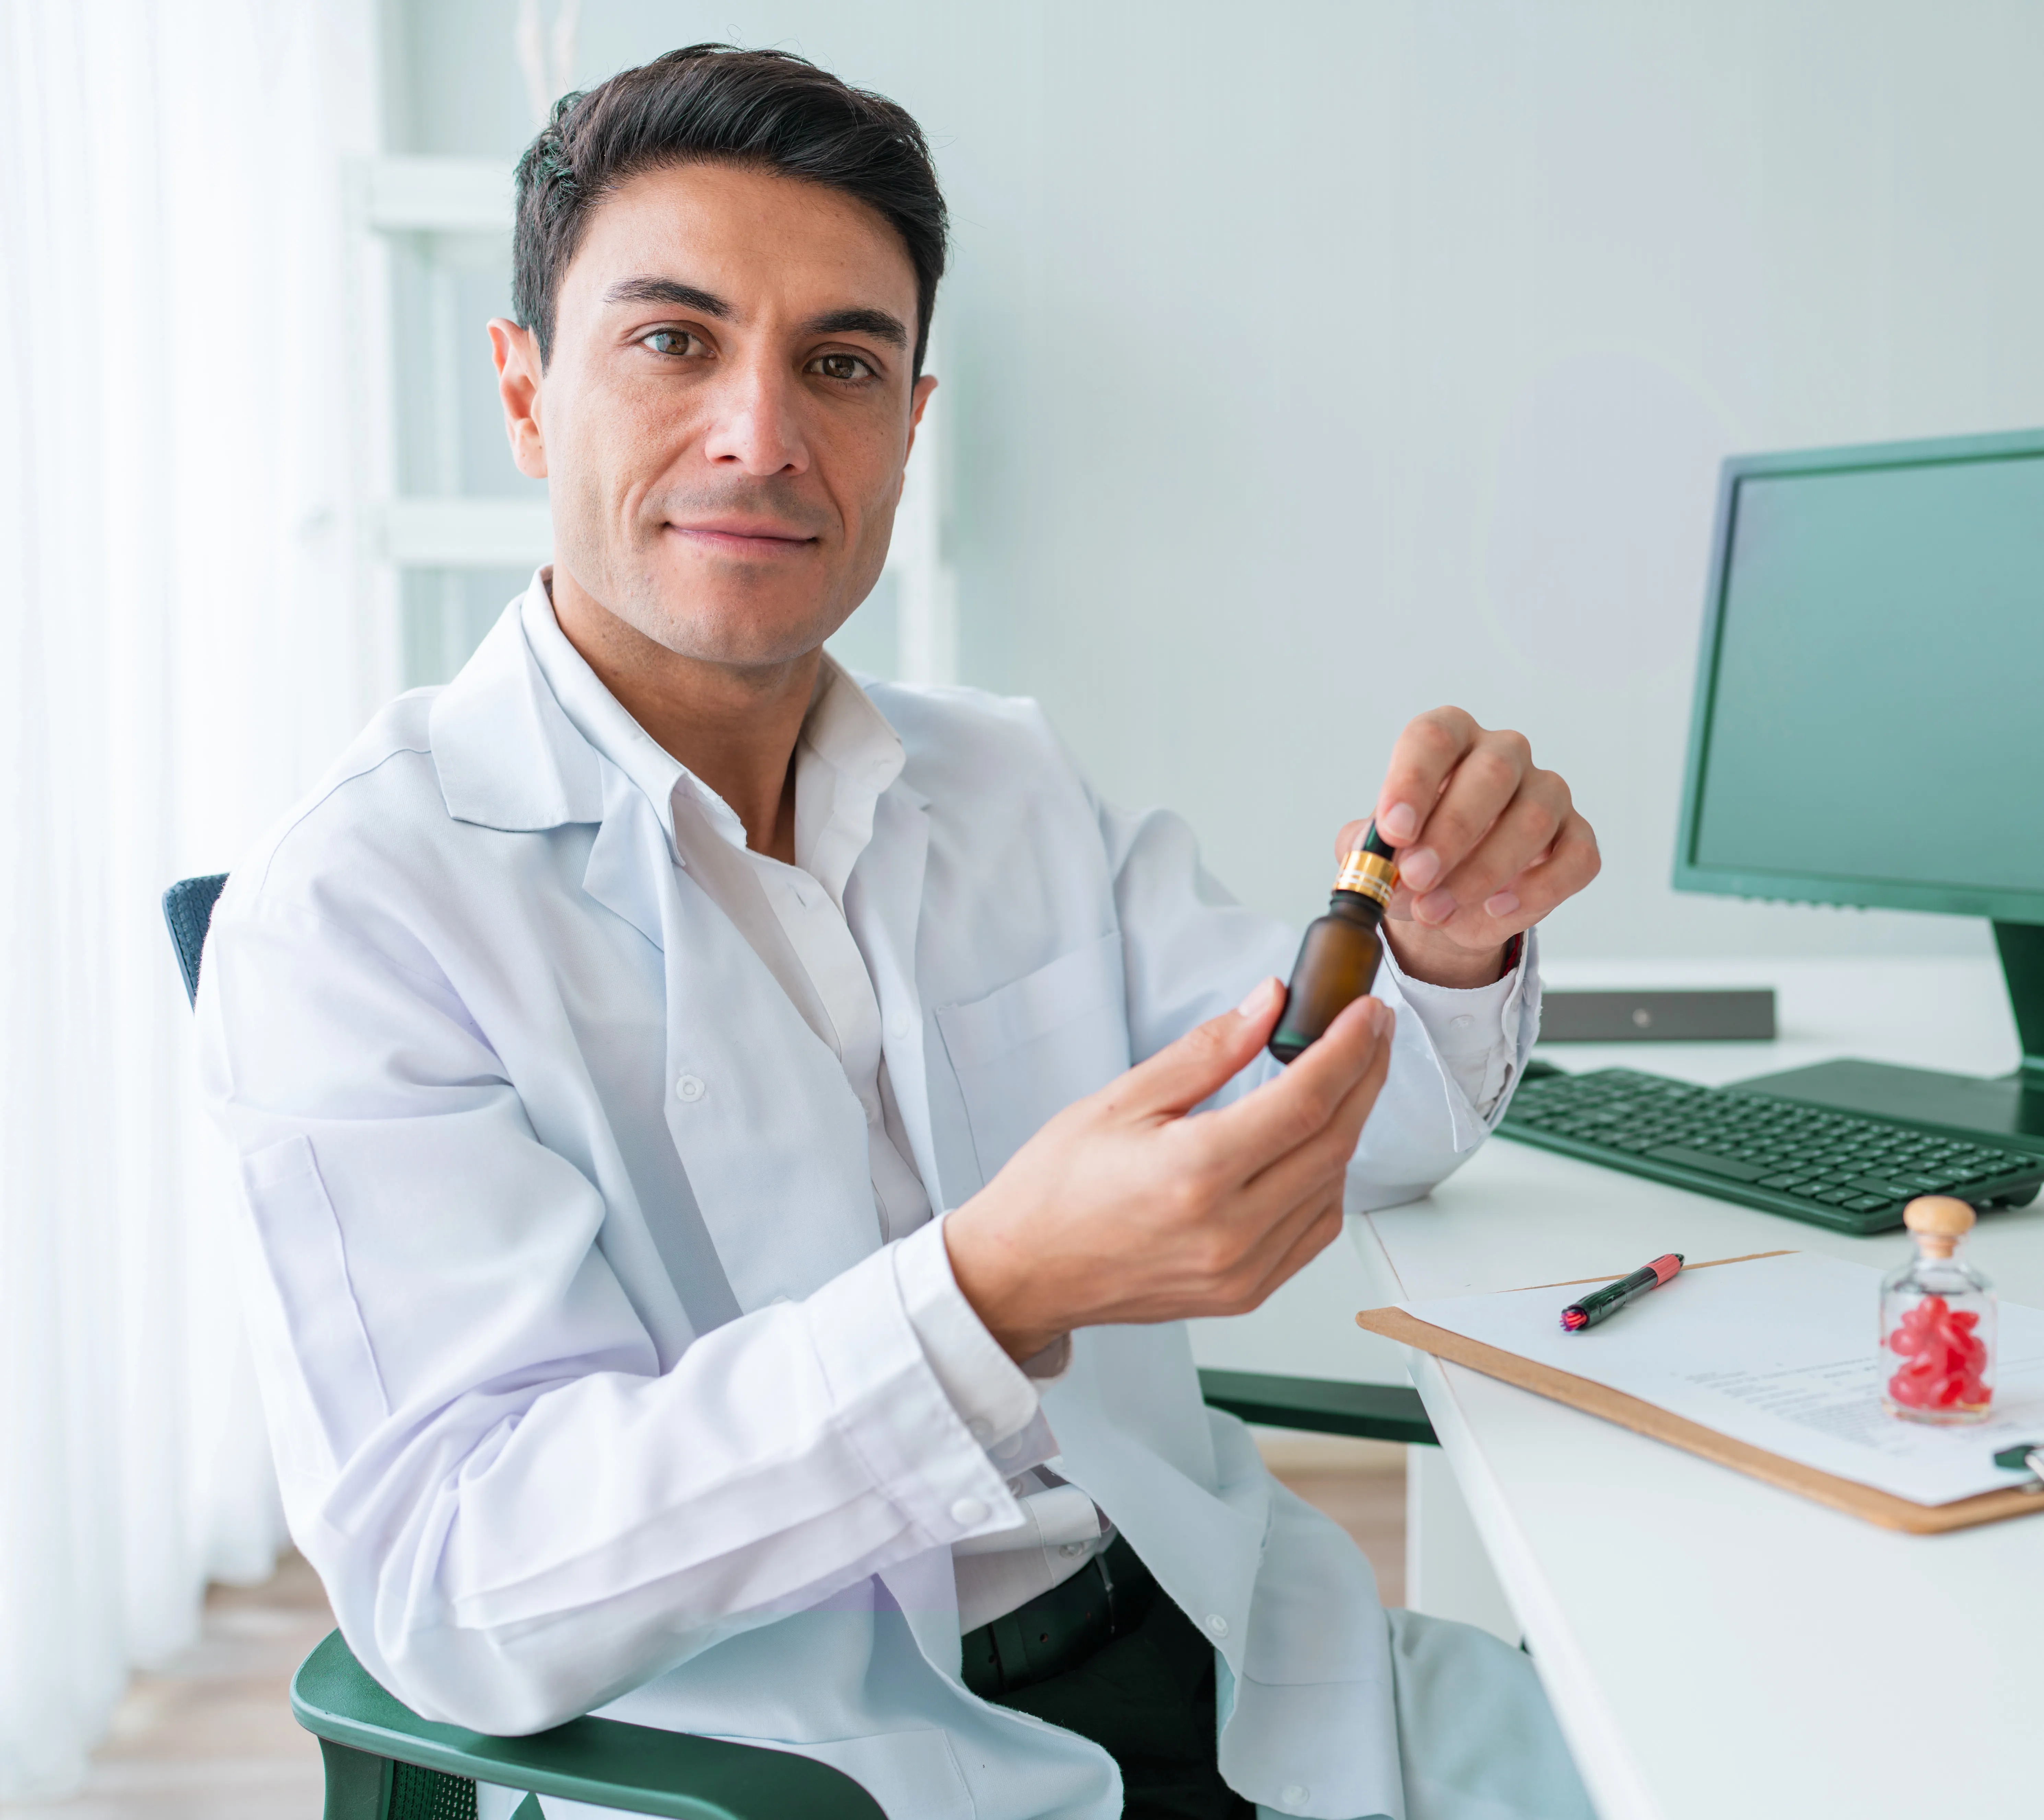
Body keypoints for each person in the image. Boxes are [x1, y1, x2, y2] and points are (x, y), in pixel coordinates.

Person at [199, 44, 1601, 1820]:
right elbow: (460, 1578)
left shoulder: (1003, 779)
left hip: (1235, 1638)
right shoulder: (358, 907)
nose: (762, 435)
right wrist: (987, 1291)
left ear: (910, 425)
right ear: (526, 392)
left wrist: (1449, 949)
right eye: (674, 339)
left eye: (840, 363)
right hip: (797, 1762)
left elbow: (1346, 1116)